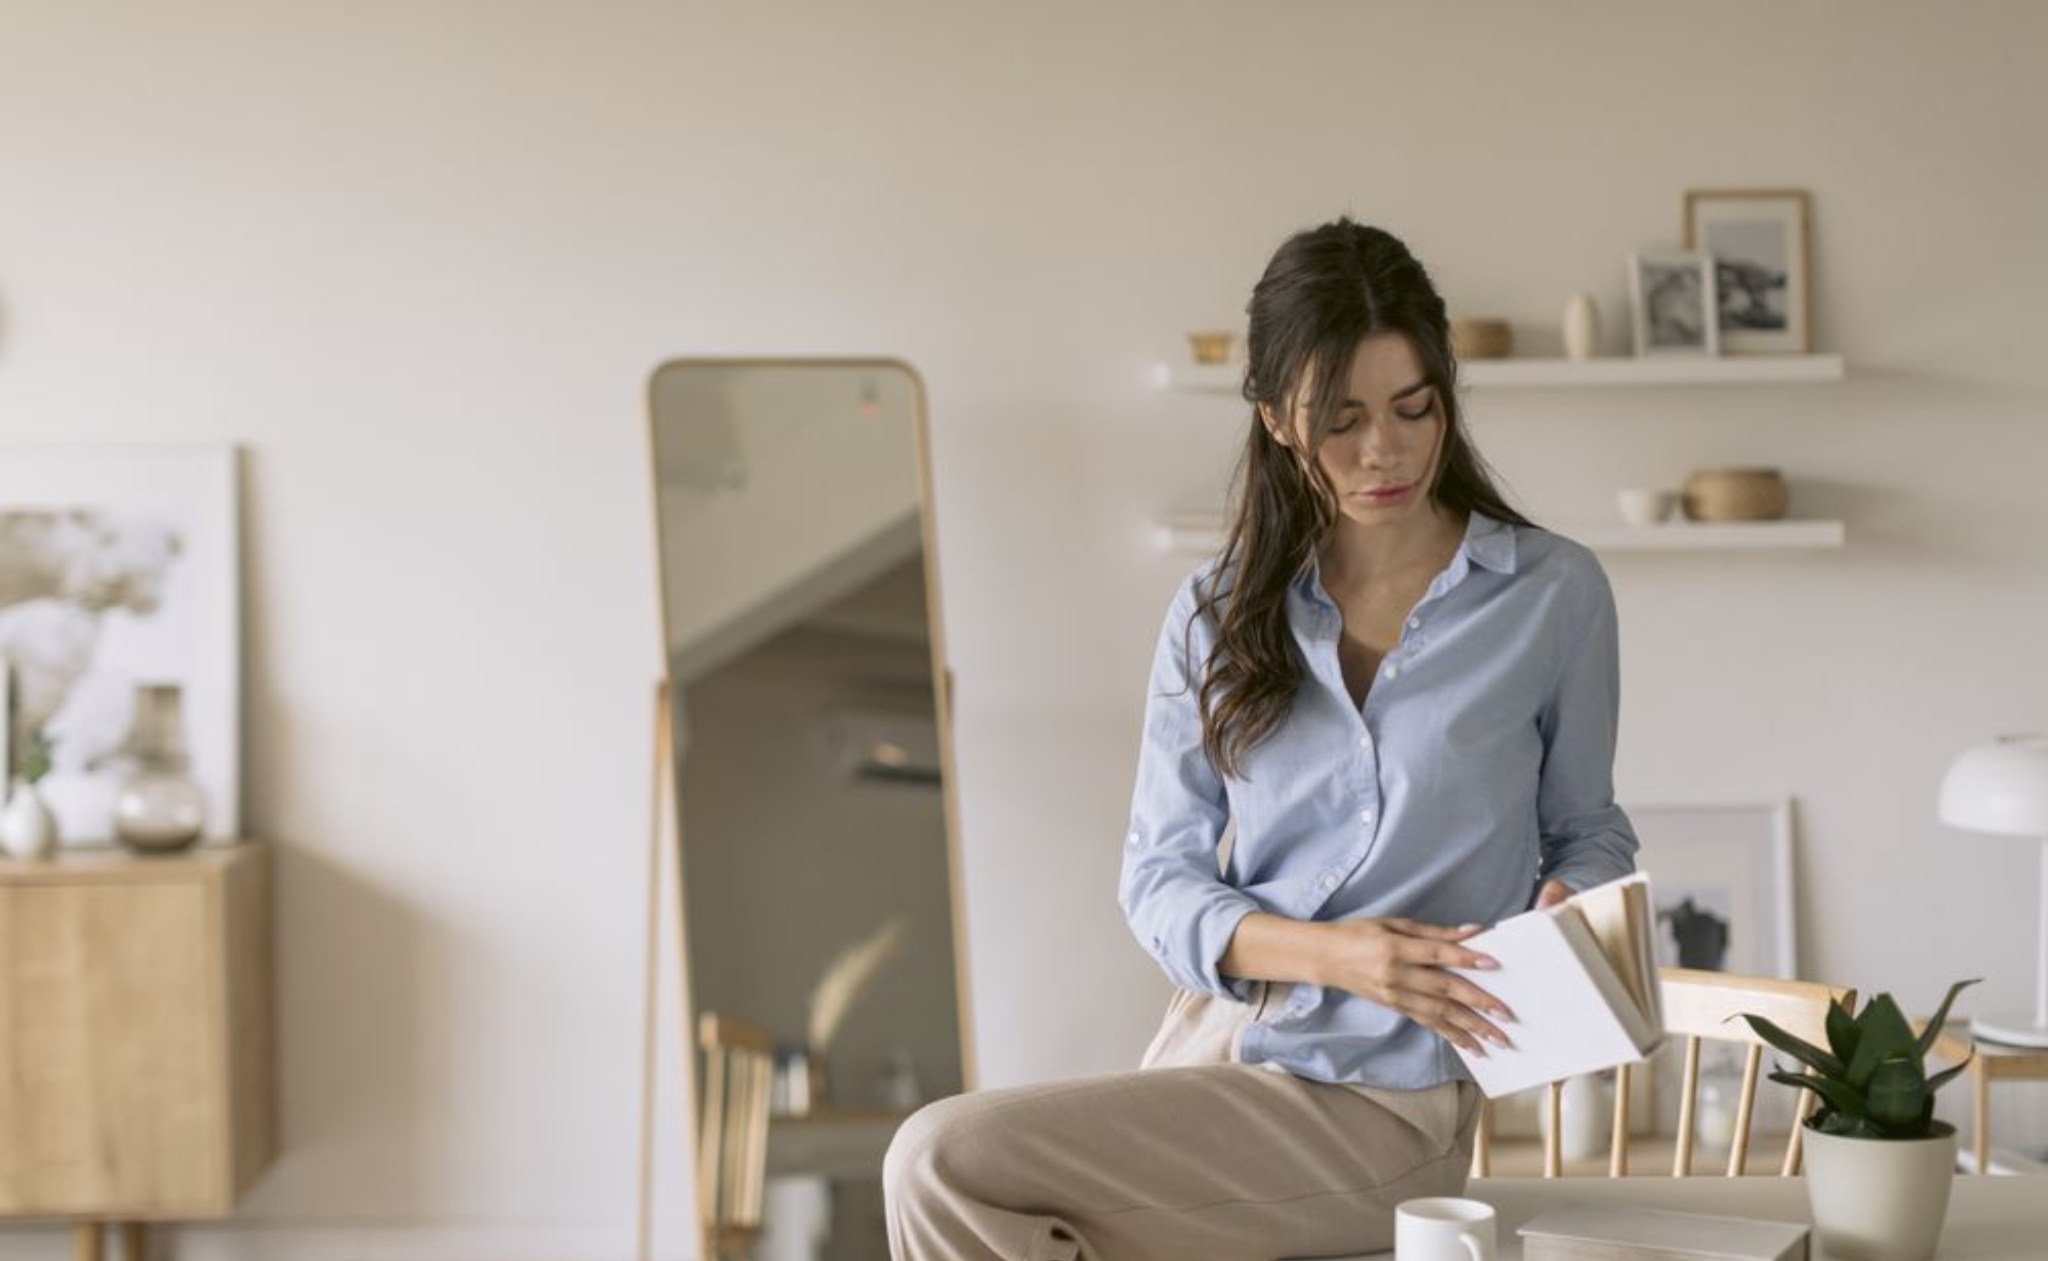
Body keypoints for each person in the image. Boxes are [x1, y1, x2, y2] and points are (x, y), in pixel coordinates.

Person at [883, 218, 1639, 1261]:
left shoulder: (1549, 596)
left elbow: (1587, 831)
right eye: (1341, 420)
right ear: (1277, 418)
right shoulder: (1215, 611)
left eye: (1413, 408)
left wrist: (1571, 904)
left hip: (1391, 1103)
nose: (1385, 451)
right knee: (968, 1184)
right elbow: (1157, 878)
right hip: (1216, 1057)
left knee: (941, 1159)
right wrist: (1340, 955)